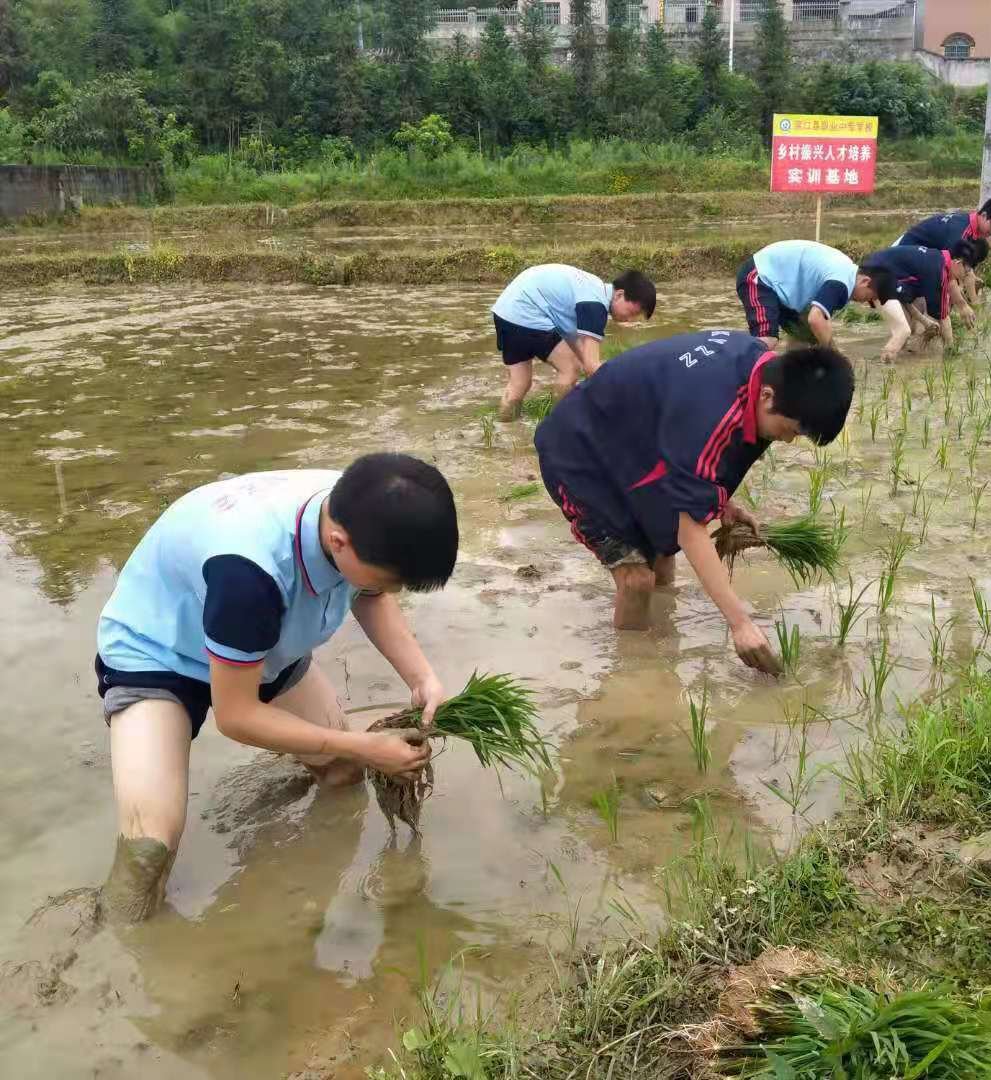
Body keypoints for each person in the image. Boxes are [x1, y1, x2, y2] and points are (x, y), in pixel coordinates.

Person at [95, 455, 458, 922]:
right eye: (393, 580)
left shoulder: (362, 508)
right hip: (159, 653)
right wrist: (366, 745)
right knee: (148, 851)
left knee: (343, 771)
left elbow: (372, 593)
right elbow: (236, 717)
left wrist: (421, 677)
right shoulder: (249, 575)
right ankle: (122, 943)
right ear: (338, 542)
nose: (396, 590)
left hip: (261, 647)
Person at [535, 329, 854, 673]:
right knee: (637, 580)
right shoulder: (713, 412)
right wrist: (740, 625)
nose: (789, 441)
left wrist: (722, 502)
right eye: (791, 430)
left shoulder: (754, 361)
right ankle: (635, 675)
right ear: (767, 396)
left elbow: (695, 450)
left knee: (663, 554)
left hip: (632, 441)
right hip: (579, 452)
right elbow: (691, 533)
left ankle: (662, 643)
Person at [491, 264, 657, 421]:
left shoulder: (594, 289)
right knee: (569, 369)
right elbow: (591, 366)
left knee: (520, 383)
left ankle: (504, 428)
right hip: (526, 312)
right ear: (619, 294)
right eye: (631, 312)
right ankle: (558, 424)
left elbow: (577, 345)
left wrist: (590, 365)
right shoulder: (595, 306)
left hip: (506, 310)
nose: (629, 320)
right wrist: (625, 388)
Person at [735, 239, 891, 349]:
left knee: (806, 338)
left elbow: (817, 324)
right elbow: (815, 319)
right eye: (870, 298)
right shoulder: (842, 282)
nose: (865, 302)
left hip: (780, 286)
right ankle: (735, 367)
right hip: (760, 274)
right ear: (865, 281)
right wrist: (834, 356)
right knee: (767, 340)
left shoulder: (846, 272)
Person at [862, 240, 980, 360]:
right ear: (957, 262)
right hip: (874, 279)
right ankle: (882, 364)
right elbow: (943, 318)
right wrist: (951, 351)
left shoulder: (937, 258)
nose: (965, 276)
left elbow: (903, 296)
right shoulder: (939, 271)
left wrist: (924, 321)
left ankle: (897, 360)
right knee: (903, 331)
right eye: (966, 271)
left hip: (874, 271)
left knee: (907, 329)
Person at [894, 197, 991, 307]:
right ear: (984, 215)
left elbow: (961, 269)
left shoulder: (968, 225)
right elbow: (948, 273)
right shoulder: (960, 234)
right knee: (938, 299)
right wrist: (963, 306)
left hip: (917, 260)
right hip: (903, 266)